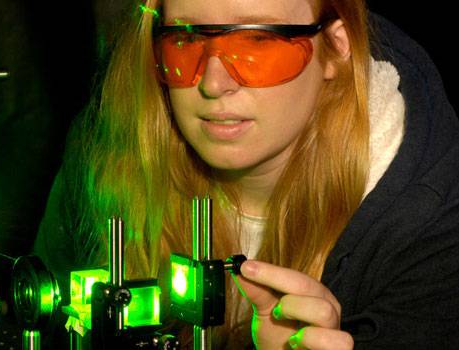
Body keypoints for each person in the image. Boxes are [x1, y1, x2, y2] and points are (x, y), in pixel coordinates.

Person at [34, 0, 459, 348]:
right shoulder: (109, 160)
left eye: (259, 40)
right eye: (185, 39)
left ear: (335, 47)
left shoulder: (428, 217)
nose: (214, 83)